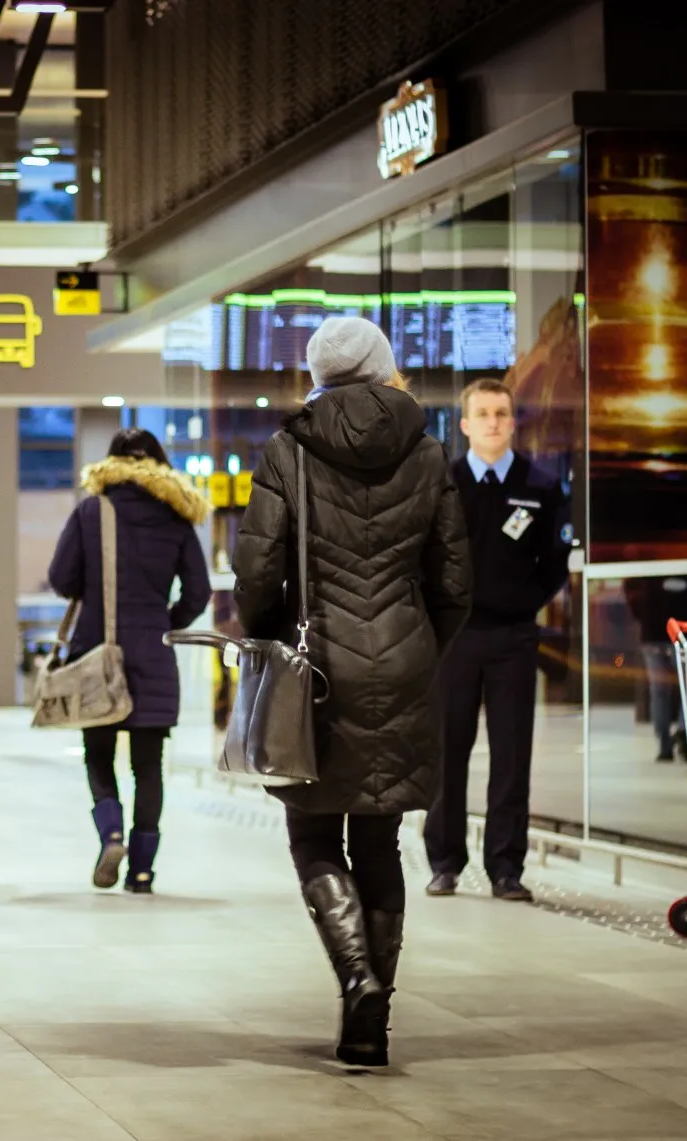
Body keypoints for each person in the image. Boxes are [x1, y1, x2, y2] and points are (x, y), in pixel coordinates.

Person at [234, 316, 471, 1067]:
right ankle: (370, 1019)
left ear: (319, 372)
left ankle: (356, 975)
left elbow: (255, 575)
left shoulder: (288, 449)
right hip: (403, 661)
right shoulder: (427, 448)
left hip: (319, 664)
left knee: (312, 832)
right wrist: (418, 645)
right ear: (382, 366)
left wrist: (276, 640)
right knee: (378, 837)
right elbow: (455, 579)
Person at [424, 377, 570, 901]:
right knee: (447, 752)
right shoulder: (443, 483)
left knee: (512, 755)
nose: (492, 421)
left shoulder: (540, 487)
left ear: (513, 422)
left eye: (501, 413)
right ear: (464, 425)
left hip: (513, 637)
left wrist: (523, 600)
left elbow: (555, 561)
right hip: (455, 640)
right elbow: (423, 554)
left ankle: (506, 868)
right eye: (482, 413)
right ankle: (444, 862)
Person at [48, 428, 209, 893]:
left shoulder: (91, 512)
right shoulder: (177, 516)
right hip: (153, 652)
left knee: (98, 753)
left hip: (99, 651)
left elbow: (61, 579)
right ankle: (141, 870)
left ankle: (111, 833)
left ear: (110, 463)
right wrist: (166, 620)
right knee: (149, 765)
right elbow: (197, 591)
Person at [624, 575, 687, 763]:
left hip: (654, 632)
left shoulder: (650, 559)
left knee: (659, 691)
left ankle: (664, 745)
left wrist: (644, 614)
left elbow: (632, 592)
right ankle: (684, 731)